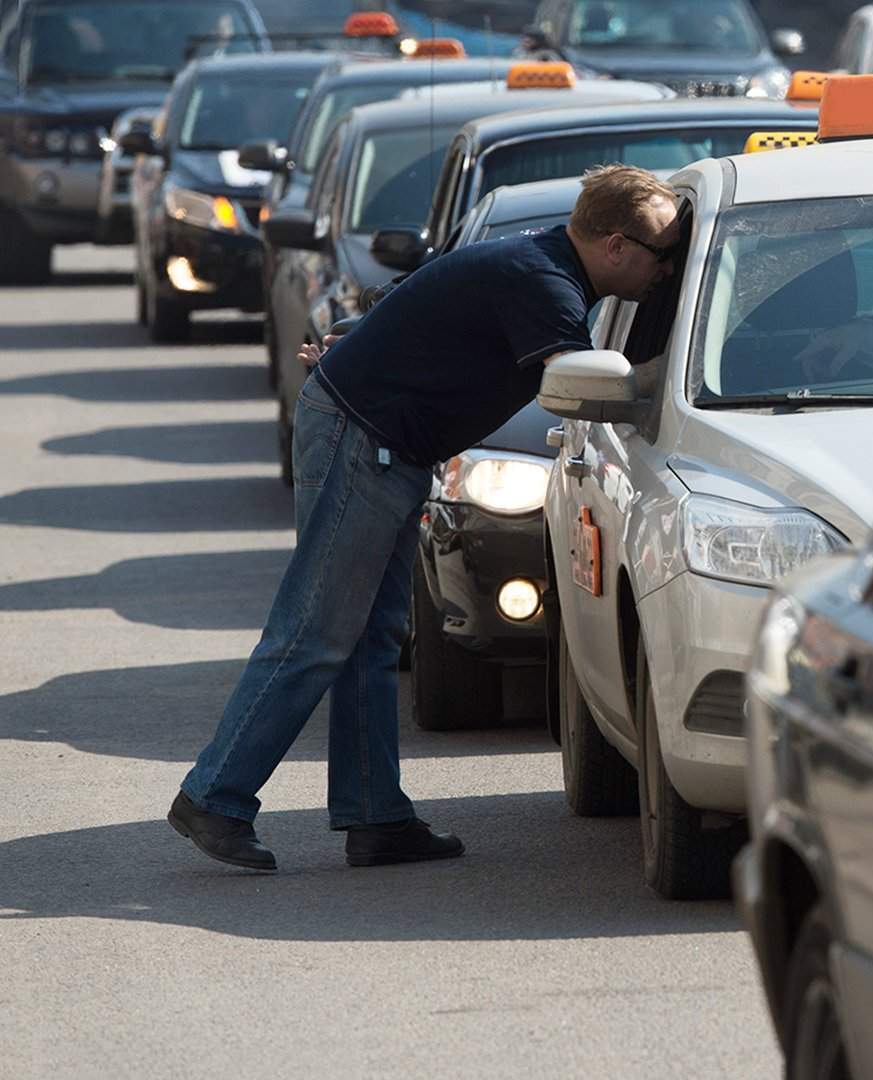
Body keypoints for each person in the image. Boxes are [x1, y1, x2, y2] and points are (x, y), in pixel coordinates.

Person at [168, 165, 682, 872]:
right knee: (316, 631)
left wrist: (361, 343)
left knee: (369, 639)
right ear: (618, 246)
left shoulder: (536, 263)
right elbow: (577, 387)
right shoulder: (546, 285)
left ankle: (376, 816)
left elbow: (402, 300)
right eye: (664, 253)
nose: (667, 268)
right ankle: (215, 797)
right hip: (363, 442)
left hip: (379, 442)